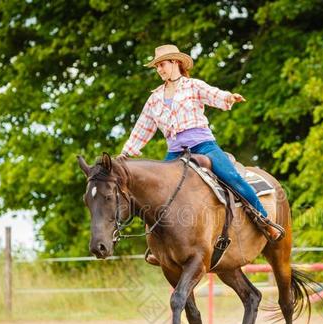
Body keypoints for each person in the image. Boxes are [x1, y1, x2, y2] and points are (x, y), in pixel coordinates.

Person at [120, 44, 284, 249]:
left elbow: (213, 94)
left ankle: (264, 220)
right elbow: (143, 127)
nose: (159, 69)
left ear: (175, 63)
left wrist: (228, 98)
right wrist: (126, 153)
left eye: (162, 64)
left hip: (203, 145)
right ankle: (159, 246)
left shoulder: (193, 86)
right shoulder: (154, 99)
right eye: (157, 66)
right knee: (157, 193)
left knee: (232, 178)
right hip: (175, 152)